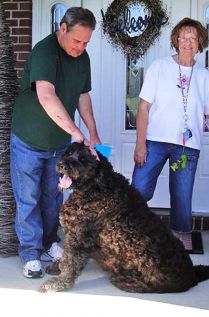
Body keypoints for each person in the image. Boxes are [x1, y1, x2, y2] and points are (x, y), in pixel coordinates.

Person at [132, 17, 209, 250]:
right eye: (184, 37)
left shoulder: (205, 77)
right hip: (155, 141)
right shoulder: (159, 67)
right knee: (140, 189)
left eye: (193, 38)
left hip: (187, 145)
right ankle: (131, 228)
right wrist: (140, 144)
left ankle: (180, 236)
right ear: (176, 40)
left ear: (200, 42)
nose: (188, 42)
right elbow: (143, 107)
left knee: (182, 195)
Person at [10, 7, 101, 278]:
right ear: (62, 28)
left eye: (86, 42)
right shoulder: (45, 51)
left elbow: (83, 96)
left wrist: (92, 133)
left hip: (58, 144)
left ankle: (49, 243)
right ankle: (30, 253)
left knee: (53, 198)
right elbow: (46, 95)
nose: (81, 47)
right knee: (28, 198)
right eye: (77, 41)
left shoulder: (82, 57)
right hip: (29, 139)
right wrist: (75, 131)